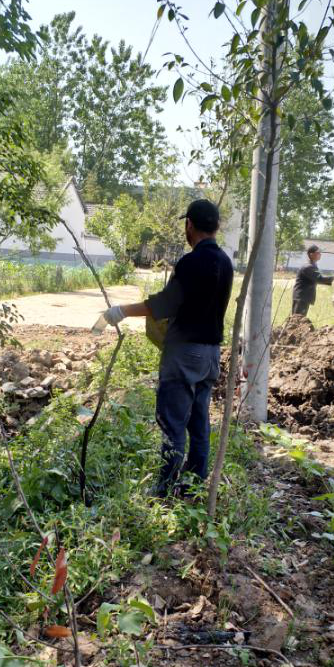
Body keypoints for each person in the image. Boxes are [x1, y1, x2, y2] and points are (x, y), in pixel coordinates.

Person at [102, 199, 233, 497]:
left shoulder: (191, 262)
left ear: (189, 224)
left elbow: (164, 304)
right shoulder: (226, 262)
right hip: (211, 356)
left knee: (173, 425)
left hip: (184, 354)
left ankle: (164, 492)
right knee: (199, 427)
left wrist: (121, 311)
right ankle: (194, 491)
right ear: (217, 226)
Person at [292, 244, 333, 317]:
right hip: (301, 297)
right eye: (318, 253)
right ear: (311, 254)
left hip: (304, 297)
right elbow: (320, 279)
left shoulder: (313, 265)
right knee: (296, 320)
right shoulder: (308, 267)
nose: (320, 254)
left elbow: (318, 280)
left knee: (299, 320)